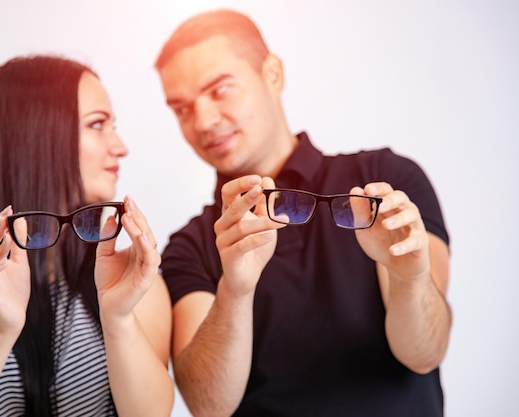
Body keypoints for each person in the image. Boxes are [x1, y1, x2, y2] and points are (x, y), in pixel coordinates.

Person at [154, 9, 451, 417]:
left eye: (220, 90)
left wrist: (407, 276)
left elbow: (424, 352)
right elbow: (209, 406)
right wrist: (235, 291)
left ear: (272, 74)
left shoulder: (383, 180)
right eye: (182, 109)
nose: (203, 121)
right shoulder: (191, 245)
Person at [0, 55, 174, 417]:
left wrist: (119, 318)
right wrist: (0, 328)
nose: (120, 147)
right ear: (36, 133)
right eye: (98, 124)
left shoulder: (128, 276)